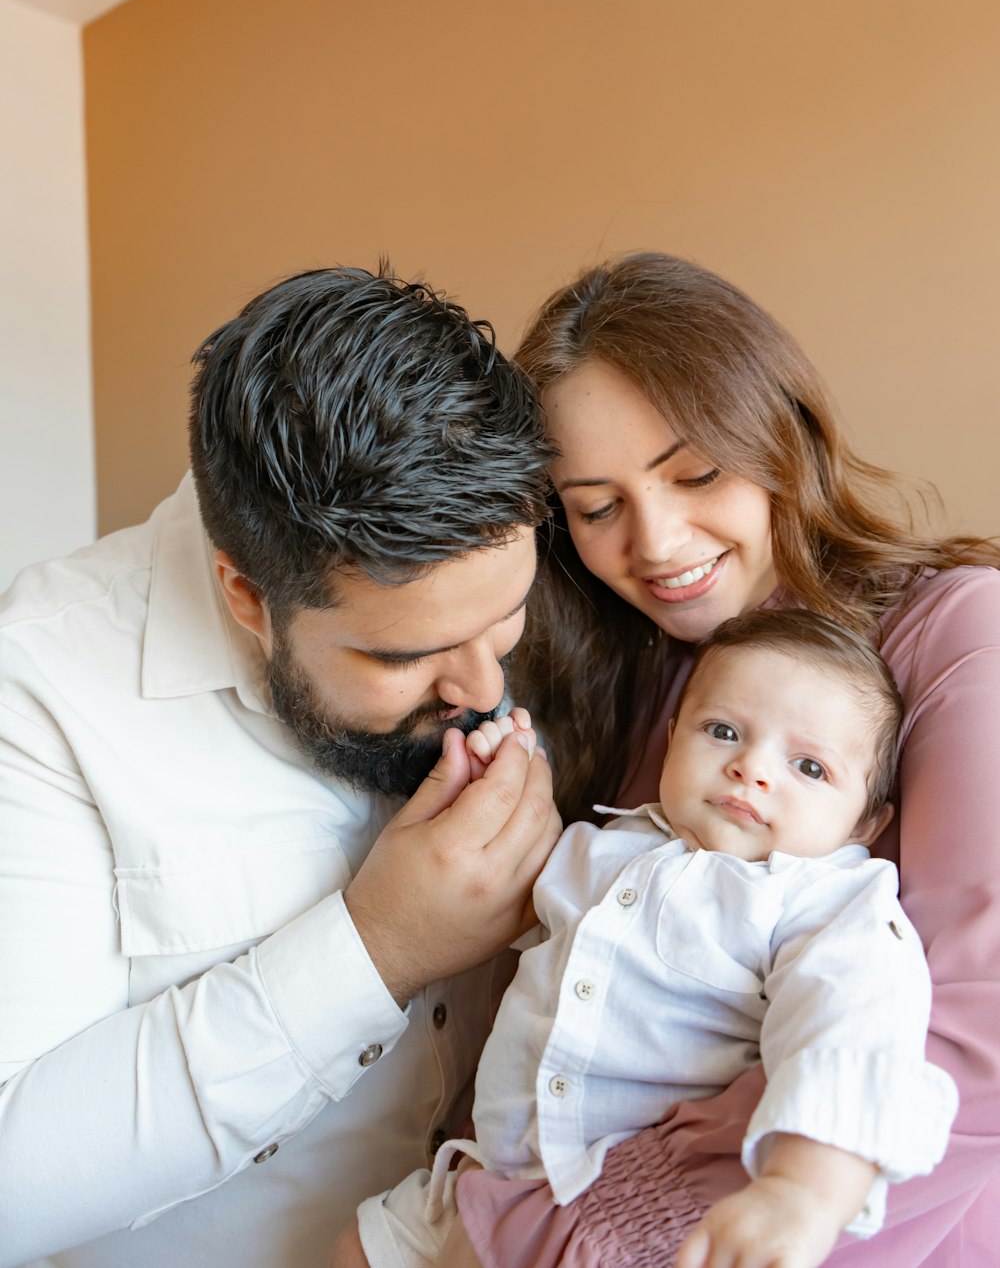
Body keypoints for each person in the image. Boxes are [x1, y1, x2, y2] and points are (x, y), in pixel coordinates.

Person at [0, 264, 562, 1268]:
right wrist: (376, 949)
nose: (482, 685)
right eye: (402, 655)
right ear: (247, 596)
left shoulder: (493, 584)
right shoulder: (35, 692)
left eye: (504, 615)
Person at [448, 252, 1000, 1267]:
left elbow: (980, 1037)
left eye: (695, 474)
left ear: (778, 433)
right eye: (596, 505)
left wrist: (609, 1228)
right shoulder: (631, 690)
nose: (655, 543)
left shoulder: (955, 630)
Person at [340, 609, 958, 1268]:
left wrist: (800, 1192)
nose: (751, 769)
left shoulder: (820, 902)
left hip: (623, 1212)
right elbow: (513, 892)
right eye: (722, 732)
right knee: (362, 1247)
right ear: (671, 739)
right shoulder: (609, 843)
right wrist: (497, 783)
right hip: (491, 1177)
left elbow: (855, 1027)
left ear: (867, 823)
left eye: (808, 767)